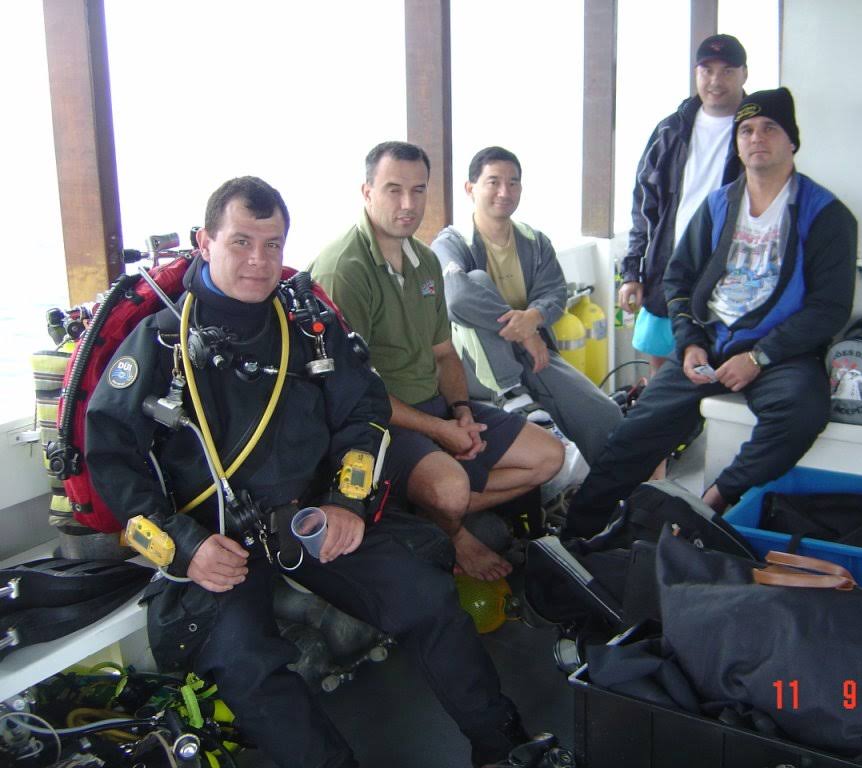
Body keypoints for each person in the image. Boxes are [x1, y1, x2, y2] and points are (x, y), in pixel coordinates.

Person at [87, 177, 531, 768]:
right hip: (216, 541)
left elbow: (364, 414)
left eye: (272, 245)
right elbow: (111, 459)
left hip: (312, 518)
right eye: (241, 242)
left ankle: (504, 747)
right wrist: (184, 548)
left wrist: (346, 502)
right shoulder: (160, 343)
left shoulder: (307, 327)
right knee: (247, 667)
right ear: (205, 242)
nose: (259, 260)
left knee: (427, 598)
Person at [565, 87, 858, 539]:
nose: (756, 138)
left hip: (779, 353)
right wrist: (690, 343)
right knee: (633, 433)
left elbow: (830, 308)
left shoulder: (827, 215)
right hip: (710, 344)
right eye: (746, 130)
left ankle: (713, 501)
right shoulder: (719, 204)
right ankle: (576, 535)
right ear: (736, 143)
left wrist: (760, 357)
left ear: (792, 140)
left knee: (803, 412)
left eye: (769, 128)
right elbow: (678, 278)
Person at [310, 142, 562, 582]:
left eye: (418, 190)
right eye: (393, 190)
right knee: (451, 488)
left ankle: (431, 510)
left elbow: (444, 353)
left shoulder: (425, 260)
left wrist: (460, 412)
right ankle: (454, 531)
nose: (408, 204)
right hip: (379, 423)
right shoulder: (344, 268)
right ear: (367, 192)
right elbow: (354, 394)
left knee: (548, 457)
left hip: (435, 405)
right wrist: (439, 431)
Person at [431, 146, 622, 465]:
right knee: (475, 280)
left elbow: (555, 292)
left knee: (605, 415)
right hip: (473, 362)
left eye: (513, 183)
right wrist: (525, 333)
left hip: (532, 354)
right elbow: (457, 298)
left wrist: (534, 316)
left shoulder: (534, 241)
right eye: (493, 182)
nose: (504, 192)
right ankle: (513, 395)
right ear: (470, 188)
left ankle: (601, 489)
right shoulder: (451, 243)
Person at [620, 33, 748, 377]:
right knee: (660, 368)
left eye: (727, 71)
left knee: (714, 369)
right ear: (696, 73)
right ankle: (658, 410)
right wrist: (632, 272)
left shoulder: (755, 131)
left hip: (729, 275)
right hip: (668, 268)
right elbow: (644, 205)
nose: (715, 81)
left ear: (744, 74)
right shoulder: (670, 130)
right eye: (707, 70)